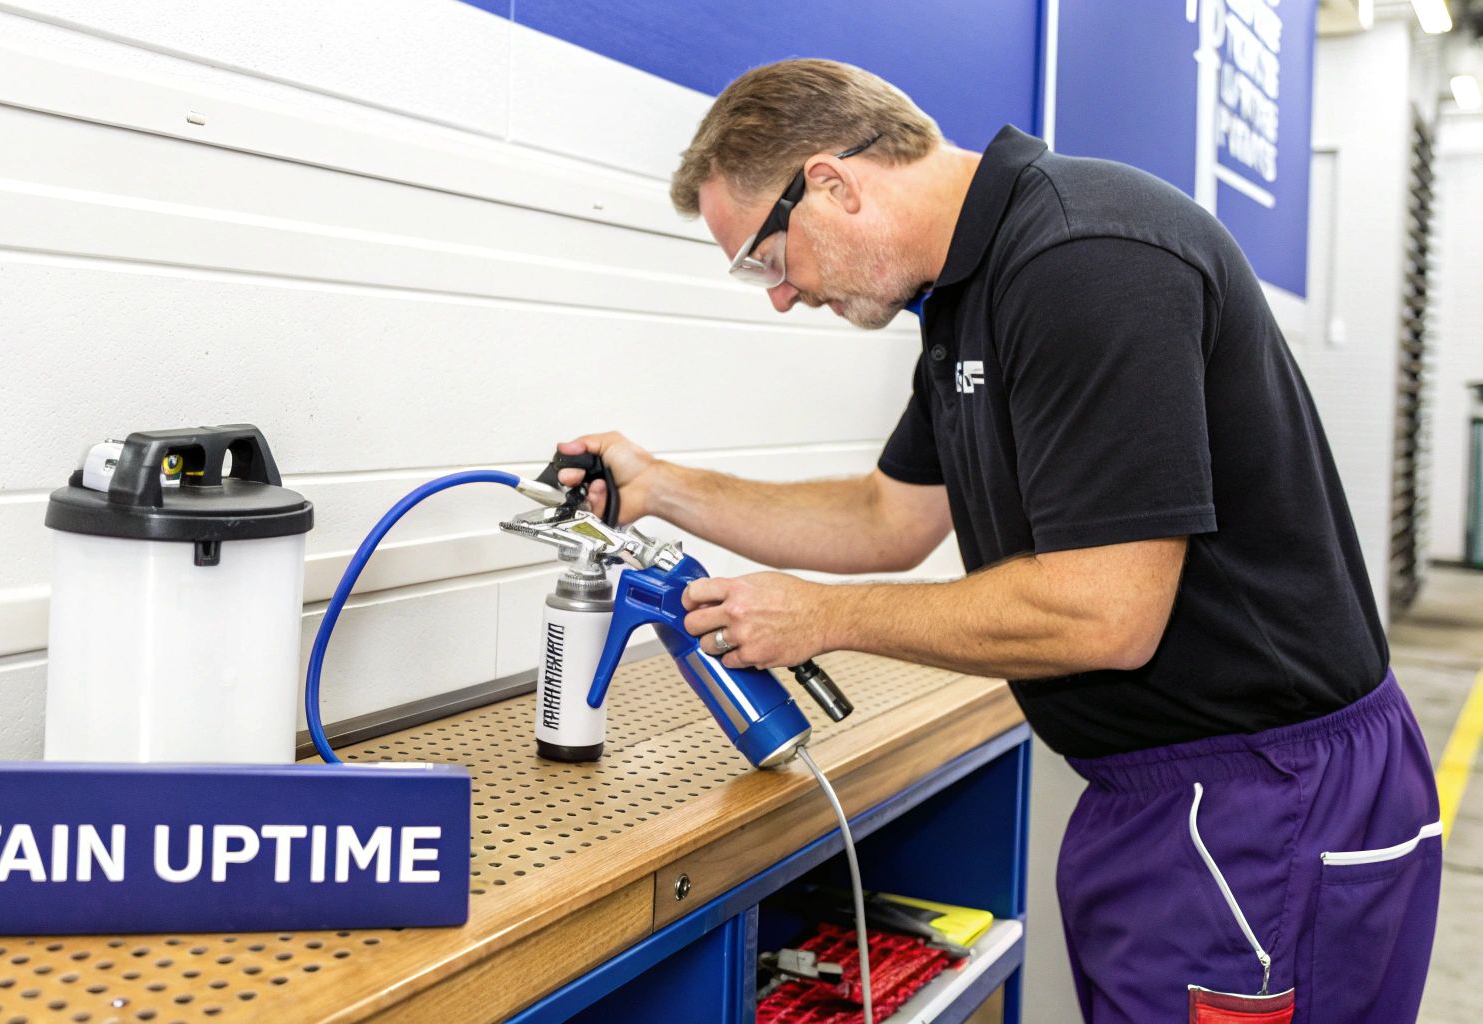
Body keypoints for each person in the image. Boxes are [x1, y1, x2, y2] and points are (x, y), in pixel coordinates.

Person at [558, 59, 1440, 1023]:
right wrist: (659, 488)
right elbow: (885, 518)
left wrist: (820, 617)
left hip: (1264, 804)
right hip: (1160, 800)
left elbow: (1108, 615)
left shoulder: (1083, 258)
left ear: (833, 184)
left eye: (767, 259)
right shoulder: (966, 293)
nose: (781, 295)